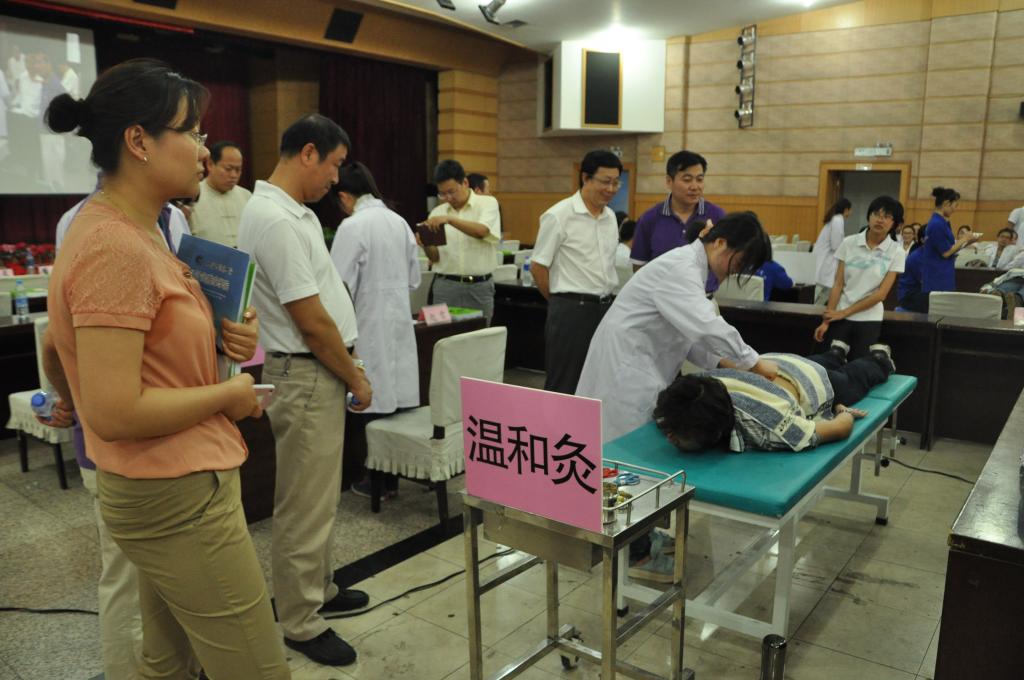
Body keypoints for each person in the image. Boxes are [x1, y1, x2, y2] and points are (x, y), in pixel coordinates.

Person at [42, 58, 288, 679]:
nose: (204, 151)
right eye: (194, 133)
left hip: (166, 480)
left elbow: (67, 348)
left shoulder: (138, 227)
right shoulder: (117, 246)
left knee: (168, 661)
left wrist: (220, 334)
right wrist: (227, 395)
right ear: (139, 141)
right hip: (174, 489)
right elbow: (114, 410)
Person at [238, 113, 372, 668]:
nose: (337, 179)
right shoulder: (275, 219)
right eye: (335, 165)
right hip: (307, 369)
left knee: (319, 496)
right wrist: (356, 376)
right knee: (303, 504)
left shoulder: (293, 213)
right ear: (309, 152)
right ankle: (299, 619)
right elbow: (311, 320)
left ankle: (321, 587)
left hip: (317, 369)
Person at [576, 211, 779, 442]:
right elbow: (707, 327)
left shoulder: (691, 269)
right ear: (720, 243)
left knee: (620, 439)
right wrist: (753, 362)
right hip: (627, 365)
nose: (736, 271)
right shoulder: (680, 268)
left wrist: (724, 362)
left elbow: (687, 336)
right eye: (740, 262)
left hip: (639, 361)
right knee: (617, 441)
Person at [329, 162, 420, 500]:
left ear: (344, 196)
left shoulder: (352, 226)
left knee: (368, 396)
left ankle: (374, 480)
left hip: (364, 323)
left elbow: (337, 285)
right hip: (398, 322)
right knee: (391, 398)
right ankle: (391, 479)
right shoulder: (399, 222)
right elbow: (414, 278)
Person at [653, 347, 894, 453]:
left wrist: (842, 412)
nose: (669, 437)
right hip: (771, 362)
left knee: (853, 378)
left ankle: (881, 360)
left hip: (810, 381)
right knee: (821, 360)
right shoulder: (692, 391)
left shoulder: (768, 427)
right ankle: (835, 354)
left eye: (675, 434)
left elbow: (839, 429)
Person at [532, 149, 621, 394]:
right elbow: (538, 266)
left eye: (616, 183)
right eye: (605, 181)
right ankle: (555, 421)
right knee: (565, 383)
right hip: (571, 310)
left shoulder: (610, 217)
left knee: (599, 381)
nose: (611, 189)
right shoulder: (559, 215)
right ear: (585, 178)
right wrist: (560, 301)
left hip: (605, 309)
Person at [814, 196, 907, 359]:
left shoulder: (897, 252)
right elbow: (838, 284)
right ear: (869, 216)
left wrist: (845, 312)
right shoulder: (848, 243)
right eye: (876, 214)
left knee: (858, 365)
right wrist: (826, 321)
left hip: (869, 318)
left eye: (886, 216)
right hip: (839, 315)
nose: (880, 220)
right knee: (831, 361)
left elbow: (881, 294)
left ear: (894, 223)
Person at [630, 150, 726, 291]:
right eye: (687, 180)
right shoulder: (649, 219)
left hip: (704, 297)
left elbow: (726, 261)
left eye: (699, 179)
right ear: (669, 181)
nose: (694, 186)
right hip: (660, 299)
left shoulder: (717, 216)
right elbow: (639, 266)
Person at [420, 159, 502, 322]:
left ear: (464, 182)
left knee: (479, 335)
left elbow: (481, 231)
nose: (448, 198)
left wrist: (450, 220)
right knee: (442, 335)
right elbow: (435, 257)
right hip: (445, 285)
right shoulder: (437, 213)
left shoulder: (487, 203)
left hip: (479, 286)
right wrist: (426, 243)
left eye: (452, 191)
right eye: (442, 194)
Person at [188, 140, 252, 247]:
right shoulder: (193, 195)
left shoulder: (247, 196)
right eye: (228, 169)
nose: (233, 175)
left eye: (238, 170)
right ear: (210, 164)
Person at [920, 186, 979, 295]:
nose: (955, 210)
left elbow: (950, 248)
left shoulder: (942, 222)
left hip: (943, 273)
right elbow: (946, 253)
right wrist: (964, 238)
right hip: (937, 276)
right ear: (947, 203)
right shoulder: (937, 224)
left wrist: (967, 242)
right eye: (955, 205)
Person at [813, 198, 852, 305]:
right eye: (850, 210)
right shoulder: (838, 220)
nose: (851, 213)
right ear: (846, 209)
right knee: (818, 296)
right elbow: (836, 245)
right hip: (825, 262)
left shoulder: (834, 219)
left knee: (822, 295)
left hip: (825, 261)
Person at [897, 243, 927, 313]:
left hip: (918, 292)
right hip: (908, 296)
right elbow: (926, 282)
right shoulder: (917, 257)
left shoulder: (929, 254)